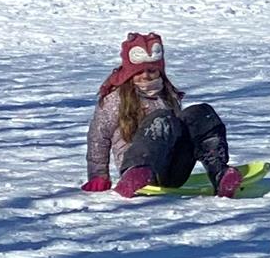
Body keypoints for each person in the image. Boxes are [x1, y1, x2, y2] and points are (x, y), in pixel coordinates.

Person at [81, 32, 240, 198]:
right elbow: (98, 137)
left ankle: (219, 173)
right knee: (162, 118)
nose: (146, 75)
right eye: (139, 72)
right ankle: (137, 171)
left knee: (200, 113)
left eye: (151, 70)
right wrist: (98, 175)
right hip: (136, 169)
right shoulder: (116, 98)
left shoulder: (167, 94)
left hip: (172, 170)